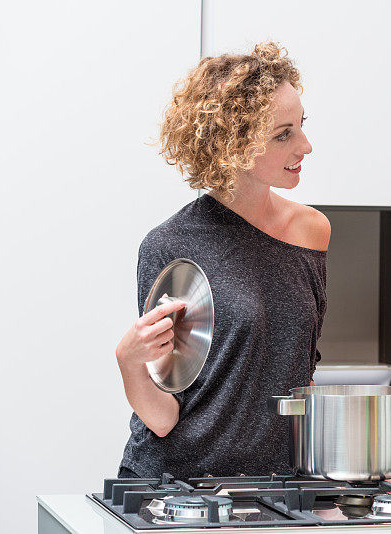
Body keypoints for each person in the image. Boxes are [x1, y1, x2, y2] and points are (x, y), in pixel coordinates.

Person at [115, 42, 330, 478]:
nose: (305, 145)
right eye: (283, 134)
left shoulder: (312, 232)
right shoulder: (171, 243)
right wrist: (128, 362)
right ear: (233, 145)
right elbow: (163, 415)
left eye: (301, 125)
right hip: (181, 489)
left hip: (275, 491)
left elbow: (300, 375)